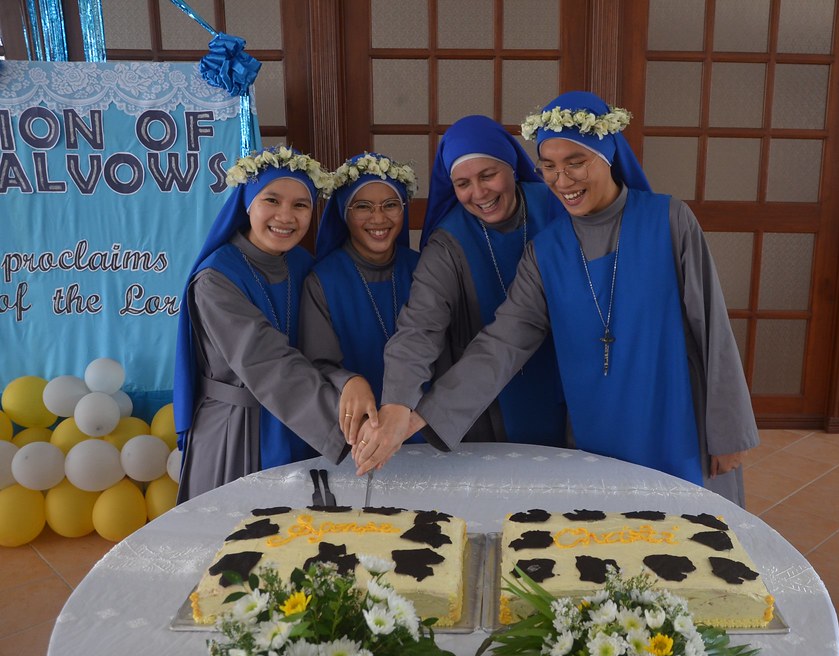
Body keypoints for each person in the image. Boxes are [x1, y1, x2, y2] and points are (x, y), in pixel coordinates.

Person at [356, 92, 758, 507]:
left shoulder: (669, 219)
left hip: (673, 413)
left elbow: (712, 330)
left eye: (575, 163)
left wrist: (729, 431)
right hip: (594, 423)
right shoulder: (546, 250)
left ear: (608, 154)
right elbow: (503, 342)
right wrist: (416, 412)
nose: (562, 181)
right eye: (548, 166)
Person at [376, 115, 567, 447]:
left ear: (510, 165)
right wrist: (397, 401)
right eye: (462, 184)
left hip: (568, 371)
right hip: (489, 390)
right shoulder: (448, 241)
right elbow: (419, 326)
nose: (479, 193)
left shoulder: (557, 205)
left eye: (488, 175)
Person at [173, 145, 348, 502]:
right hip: (237, 430)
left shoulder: (303, 263)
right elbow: (265, 361)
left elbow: (322, 348)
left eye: (300, 205)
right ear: (248, 203)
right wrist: (345, 429)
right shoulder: (216, 278)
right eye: (272, 200)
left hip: (301, 423)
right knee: (237, 543)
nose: (286, 216)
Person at [299, 152, 422, 447]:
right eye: (363, 207)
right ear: (344, 212)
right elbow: (318, 364)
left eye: (391, 205)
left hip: (419, 423)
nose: (379, 218)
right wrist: (348, 382)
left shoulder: (422, 268)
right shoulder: (323, 280)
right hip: (356, 432)